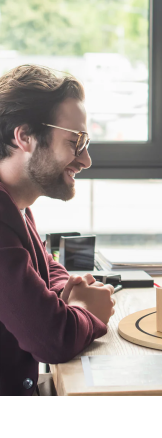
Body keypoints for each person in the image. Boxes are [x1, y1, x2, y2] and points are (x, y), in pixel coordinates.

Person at [0, 64, 115, 395]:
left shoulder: (16, 205)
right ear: (24, 137)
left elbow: (46, 268)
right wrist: (85, 310)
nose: (86, 159)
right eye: (75, 141)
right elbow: (52, 339)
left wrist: (74, 287)